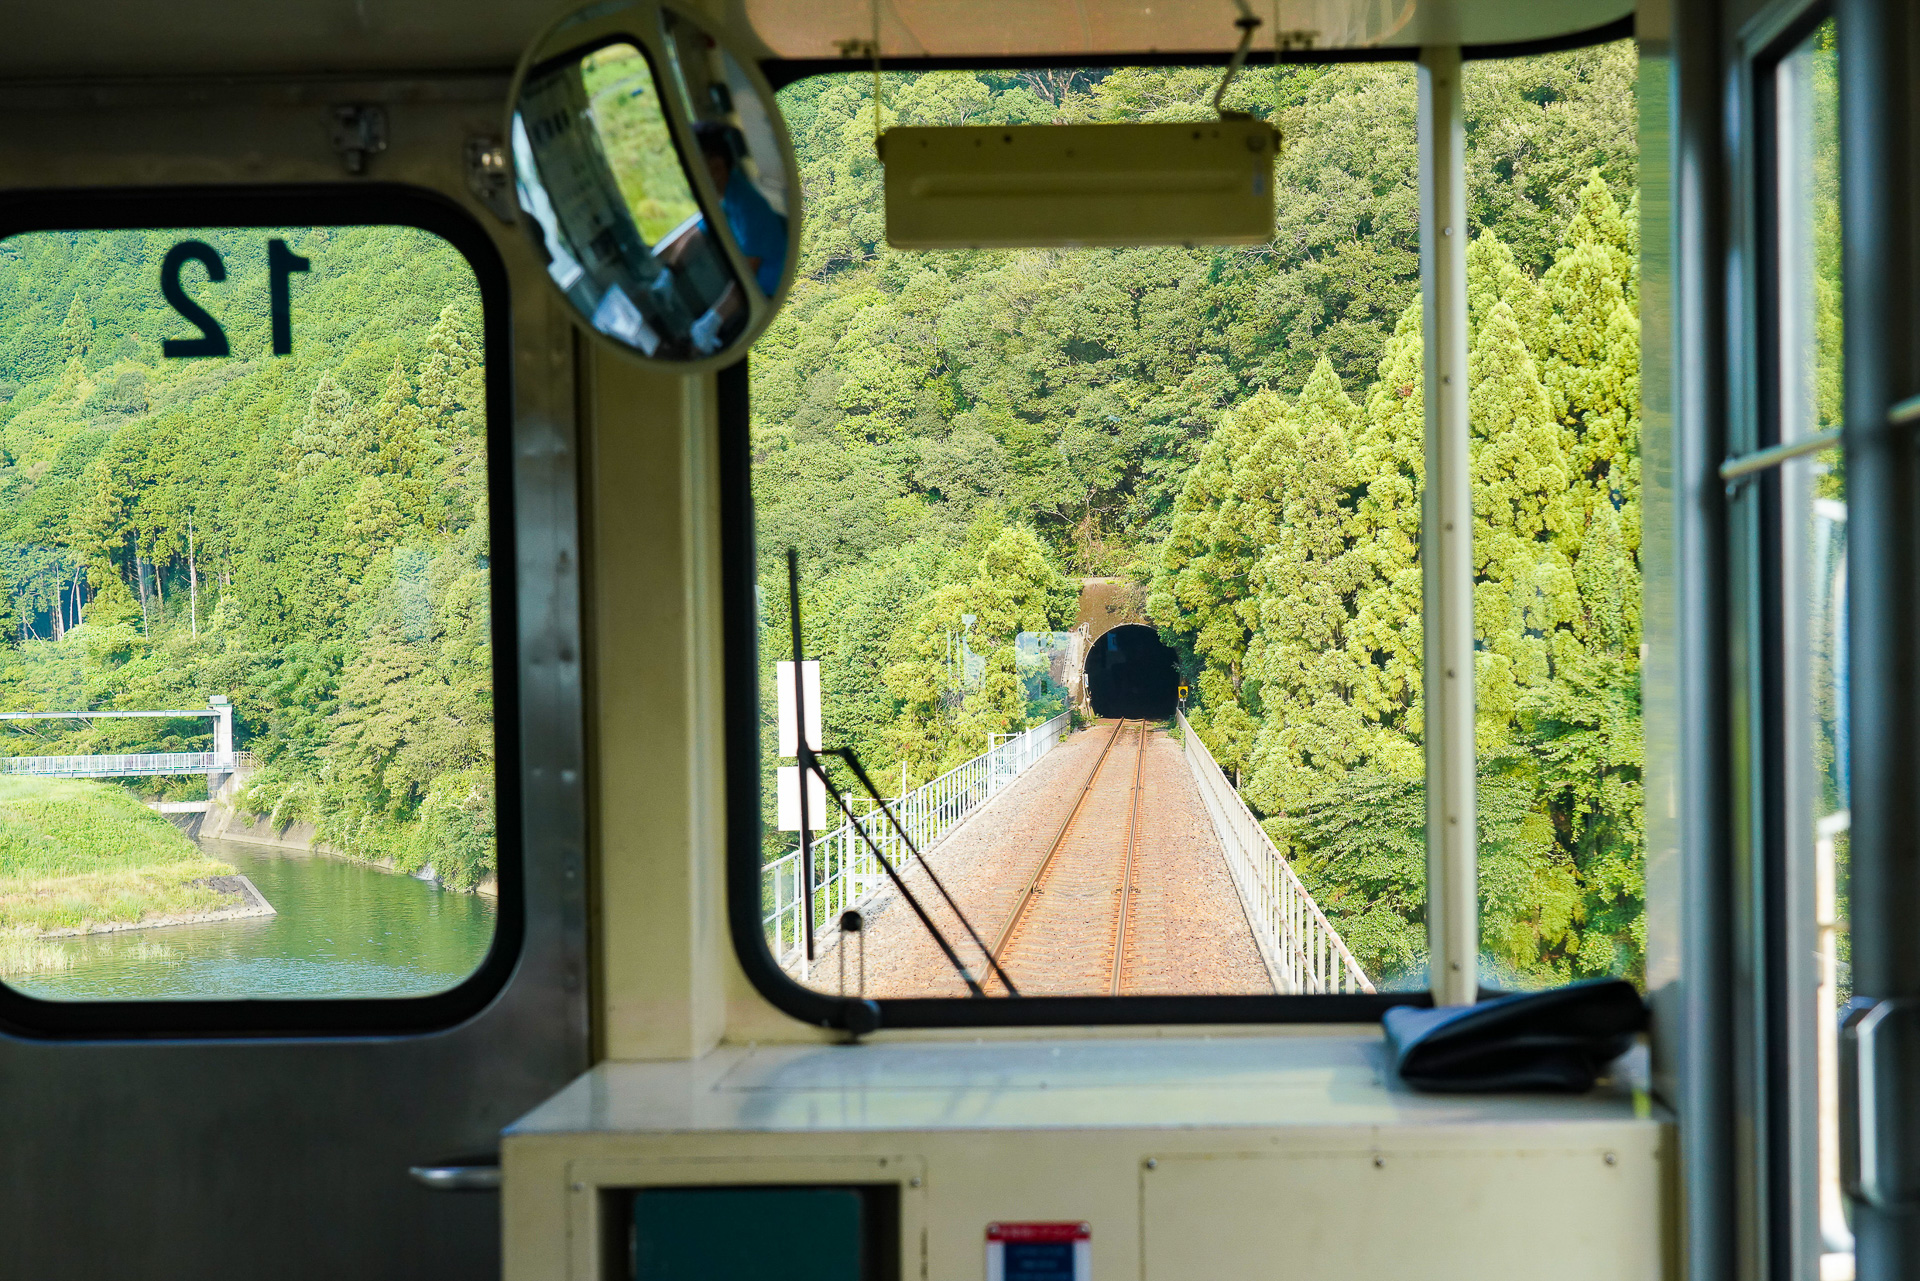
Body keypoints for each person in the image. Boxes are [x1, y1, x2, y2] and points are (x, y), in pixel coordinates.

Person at [692, 120, 788, 297]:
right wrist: (670, 270)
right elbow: (700, 232)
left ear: (717, 167)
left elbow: (746, 279)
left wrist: (712, 320)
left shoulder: (748, 206)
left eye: (695, 167)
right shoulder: (724, 197)